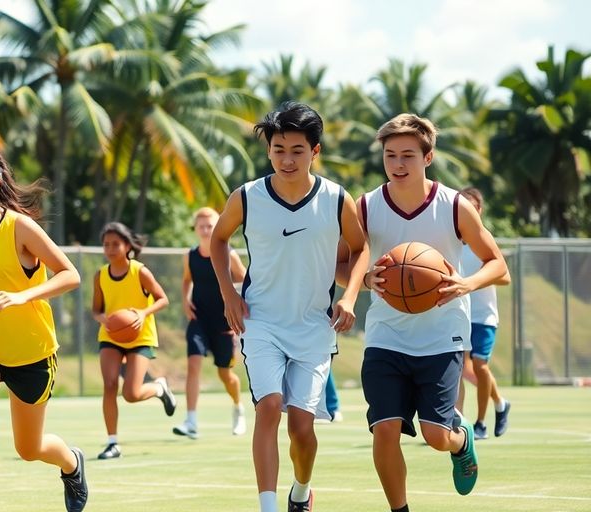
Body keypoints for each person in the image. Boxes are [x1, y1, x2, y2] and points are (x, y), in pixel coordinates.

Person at [210, 101, 369, 512]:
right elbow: (218, 240)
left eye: (297, 150)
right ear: (268, 151)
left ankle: (301, 490)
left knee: (301, 426)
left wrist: (350, 296)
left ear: (315, 152)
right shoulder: (246, 197)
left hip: (314, 327)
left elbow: (362, 247)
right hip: (260, 321)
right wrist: (229, 294)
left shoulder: (336, 198)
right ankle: (267, 506)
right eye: (278, 149)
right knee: (269, 407)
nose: (287, 158)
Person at [359, 114, 508, 512]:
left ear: (428, 157)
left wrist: (466, 283)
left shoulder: (455, 206)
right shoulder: (367, 206)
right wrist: (363, 280)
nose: (398, 164)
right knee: (384, 429)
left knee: (435, 436)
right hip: (385, 334)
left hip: (442, 334)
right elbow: (341, 265)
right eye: (390, 155)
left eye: (408, 155)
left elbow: (498, 264)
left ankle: (462, 441)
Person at [0, 147, 87, 512]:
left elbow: (70, 274)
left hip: (31, 350)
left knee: (30, 448)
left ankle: (71, 463)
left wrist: (24, 296)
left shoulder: (20, 228)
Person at [92, 221, 175, 460]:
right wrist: (103, 319)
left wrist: (142, 313)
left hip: (140, 335)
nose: (109, 249)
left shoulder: (140, 271)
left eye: (115, 244)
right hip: (111, 335)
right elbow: (96, 309)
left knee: (131, 393)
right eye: (106, 244)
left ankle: (159, 388)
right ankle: (112, 443)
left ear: (127, 246)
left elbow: (162, 299)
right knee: (109, 385)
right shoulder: (100, 276)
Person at [174, 207, 247, 439]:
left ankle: (238, 407)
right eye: (201, 226)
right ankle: (191, 421)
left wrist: (236, 303)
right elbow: (187, 280)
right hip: (199, 320)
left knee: (225, 375)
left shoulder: (229, 254)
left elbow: (246, 281)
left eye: (210, 225)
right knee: (193, 364)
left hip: (224, 323)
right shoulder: (190, 256)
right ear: (195, 229)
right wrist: (185, 300)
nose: (206, 230)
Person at [455, 187, 511, 439]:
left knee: (479, 366)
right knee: (456, 370)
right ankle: (459, 421)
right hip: (459, 315)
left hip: (484, 317)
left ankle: (481, 422)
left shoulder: (483, 240)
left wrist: (474, 281)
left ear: (479, 210)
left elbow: (505, 277)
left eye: (472, 205)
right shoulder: (452, 242)